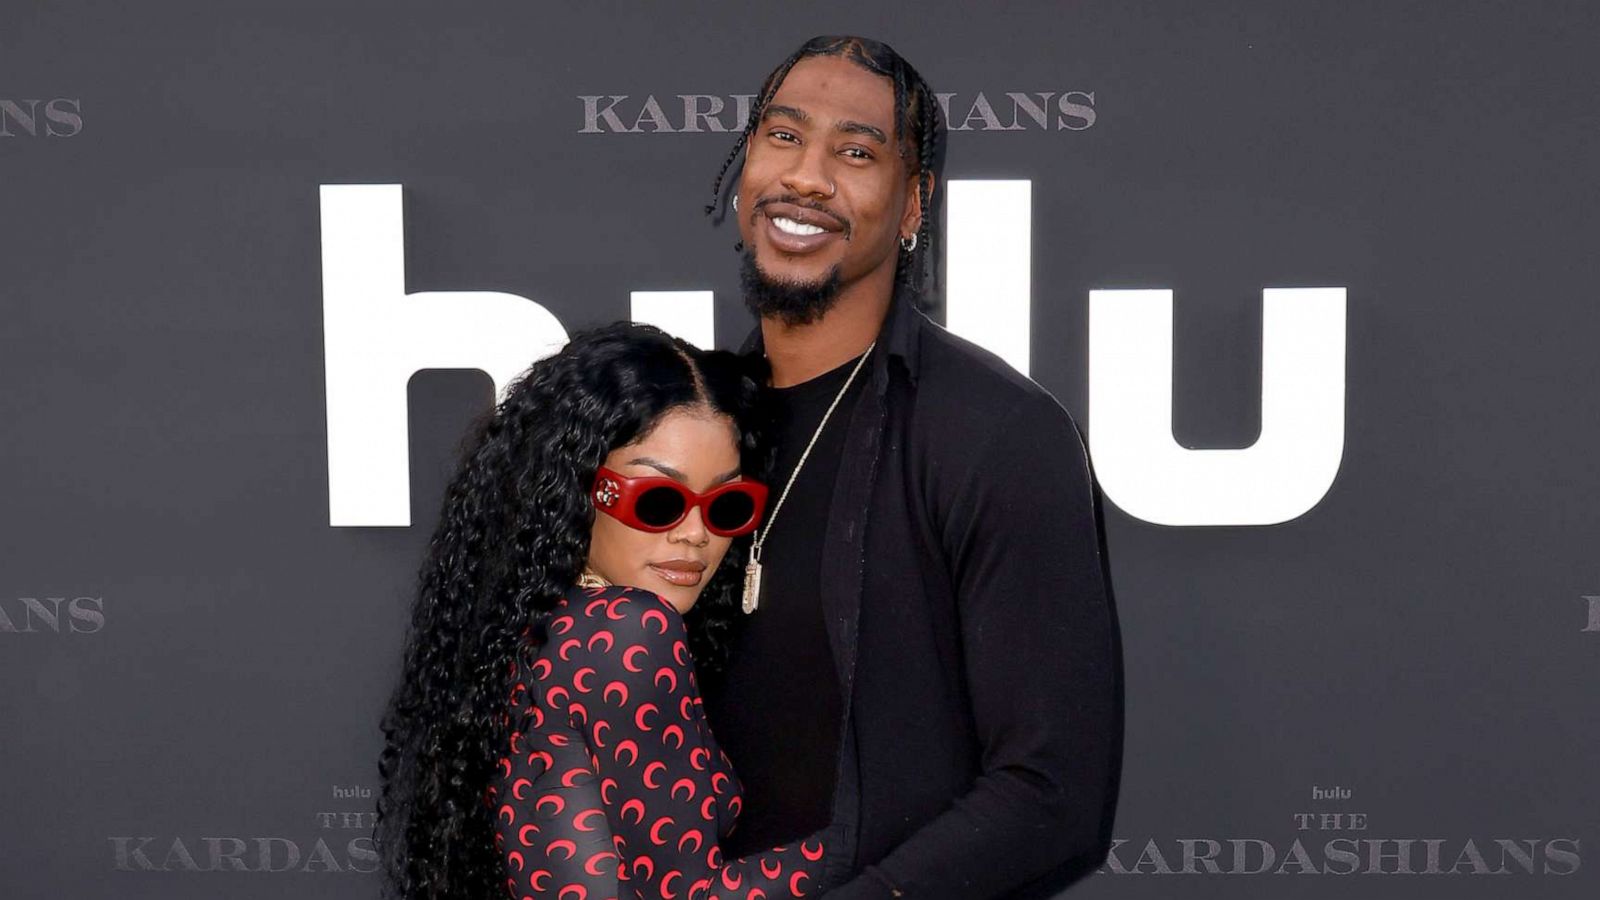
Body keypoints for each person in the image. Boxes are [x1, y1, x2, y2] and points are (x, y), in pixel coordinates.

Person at [697, 36, 1122, 899]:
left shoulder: (998, 433)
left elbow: (1055, 795)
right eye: (782, 137)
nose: (806, 177)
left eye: (856, 152)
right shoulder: (692, 427)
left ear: (915, 202)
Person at [373, 322, 843, 900]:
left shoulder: (534, 634)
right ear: (577, 490)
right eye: (660, 500)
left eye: (727, 506)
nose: (695, 534)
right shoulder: (630, 632)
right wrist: (871, 838)